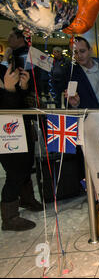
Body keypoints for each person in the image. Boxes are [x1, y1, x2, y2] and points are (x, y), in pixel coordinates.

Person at [7, 27, 43, 212]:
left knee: (26, 158)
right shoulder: (11, 58)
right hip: (11, 115)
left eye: (12, 36)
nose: (8, 39)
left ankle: (27, 198)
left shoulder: (31, 54)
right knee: (17, 163)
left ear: (21, 38)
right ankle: (19, 202)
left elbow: (49, 72)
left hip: (28, 107)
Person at [0, 64, 37, 231]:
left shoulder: (3, 70)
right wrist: (8, 89)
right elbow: (6, 106)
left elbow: (18, 104)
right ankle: (9, 217)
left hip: (20, 126)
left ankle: (27, 199)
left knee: (26, 165)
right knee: (15, 171)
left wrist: (22, 87)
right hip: (6, 133)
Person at [64, 36, 99, 109]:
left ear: (90, 50)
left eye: (82, 51)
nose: (79, 55)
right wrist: (75, 104)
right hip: (88, 117)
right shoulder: (71, 74)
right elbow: (69, 104)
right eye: (75, 53)